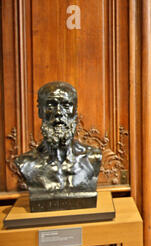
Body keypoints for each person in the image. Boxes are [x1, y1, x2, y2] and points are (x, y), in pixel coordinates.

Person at [15, 81, 102, 212]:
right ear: (40, 111)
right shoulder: (26, 164)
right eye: (51, 105)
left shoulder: (93, 158)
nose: (59, 113)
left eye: (66, 106)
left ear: (75, 111)